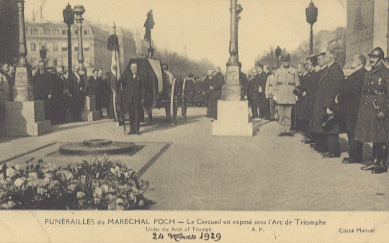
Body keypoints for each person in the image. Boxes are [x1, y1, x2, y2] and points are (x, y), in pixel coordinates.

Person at [354, 47, 389, 174]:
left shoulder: (386, 73)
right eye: (370, 57)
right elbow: (365, 93)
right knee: (375, 135)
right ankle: (374, 162)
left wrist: (385, 111)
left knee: (382, 137)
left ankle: (382, 164)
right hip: (370, 109)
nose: (371, 59)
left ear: (380, 59)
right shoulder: (368, 73)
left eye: (374, 57)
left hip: (381, 108)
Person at [312, 51, 344, 158]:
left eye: (325, 56)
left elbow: (336, 88)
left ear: (330, 57)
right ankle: (330, 149)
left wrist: (329, 105)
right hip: (324, 102)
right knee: (327, 126)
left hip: (330, 103)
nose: (324, 58)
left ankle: (334, 151)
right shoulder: (329, 68)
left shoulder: (335, 68)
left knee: (332, 127)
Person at [335, 54, 366, 163]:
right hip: (352, 108)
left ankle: (355, 156)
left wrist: (339, 96)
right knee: (353, 132)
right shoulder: (359, 73)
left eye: (353, 59)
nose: (351, 61)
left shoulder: (361, 73)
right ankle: (356, 155)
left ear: (359, 62)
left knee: (353, 132)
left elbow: (351, 91)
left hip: (353, 109)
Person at [273, 53, 300, 136]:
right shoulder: (277, 71)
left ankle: (287, 130)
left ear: (289, 61)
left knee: (288, 114)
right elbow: (275, 84)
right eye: (284, 61)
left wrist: (296, 95)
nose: (285, 62)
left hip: (290, 95)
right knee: (281, 114)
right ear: (282, 61)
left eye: (287, 61)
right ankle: (281, 130)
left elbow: (297, 84)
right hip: (281, 94)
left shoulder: (294, 71)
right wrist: (275, 94)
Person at [121, 62, 145, 135]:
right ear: (130, 68)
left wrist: (143, 98)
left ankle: (136, 130)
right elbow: (122, 84)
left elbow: (143, 88)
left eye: (135, 67)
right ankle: (131, 130)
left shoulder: (140, 77)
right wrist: (119, 78)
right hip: (129, 98)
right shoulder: (127, 76)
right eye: (132, 67)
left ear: (137, 68)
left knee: (137, 114)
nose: (134, 69)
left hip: (137, 98)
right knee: (131, 114)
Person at [296, 63, 310, 134]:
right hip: (301, 98)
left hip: (305, 99)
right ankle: (303, 130)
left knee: (305, 115)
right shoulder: (302, 77)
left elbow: (306, 89)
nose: (297, 69)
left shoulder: (307, 76)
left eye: (298, 68)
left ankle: (306, 131)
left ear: (302, 68)